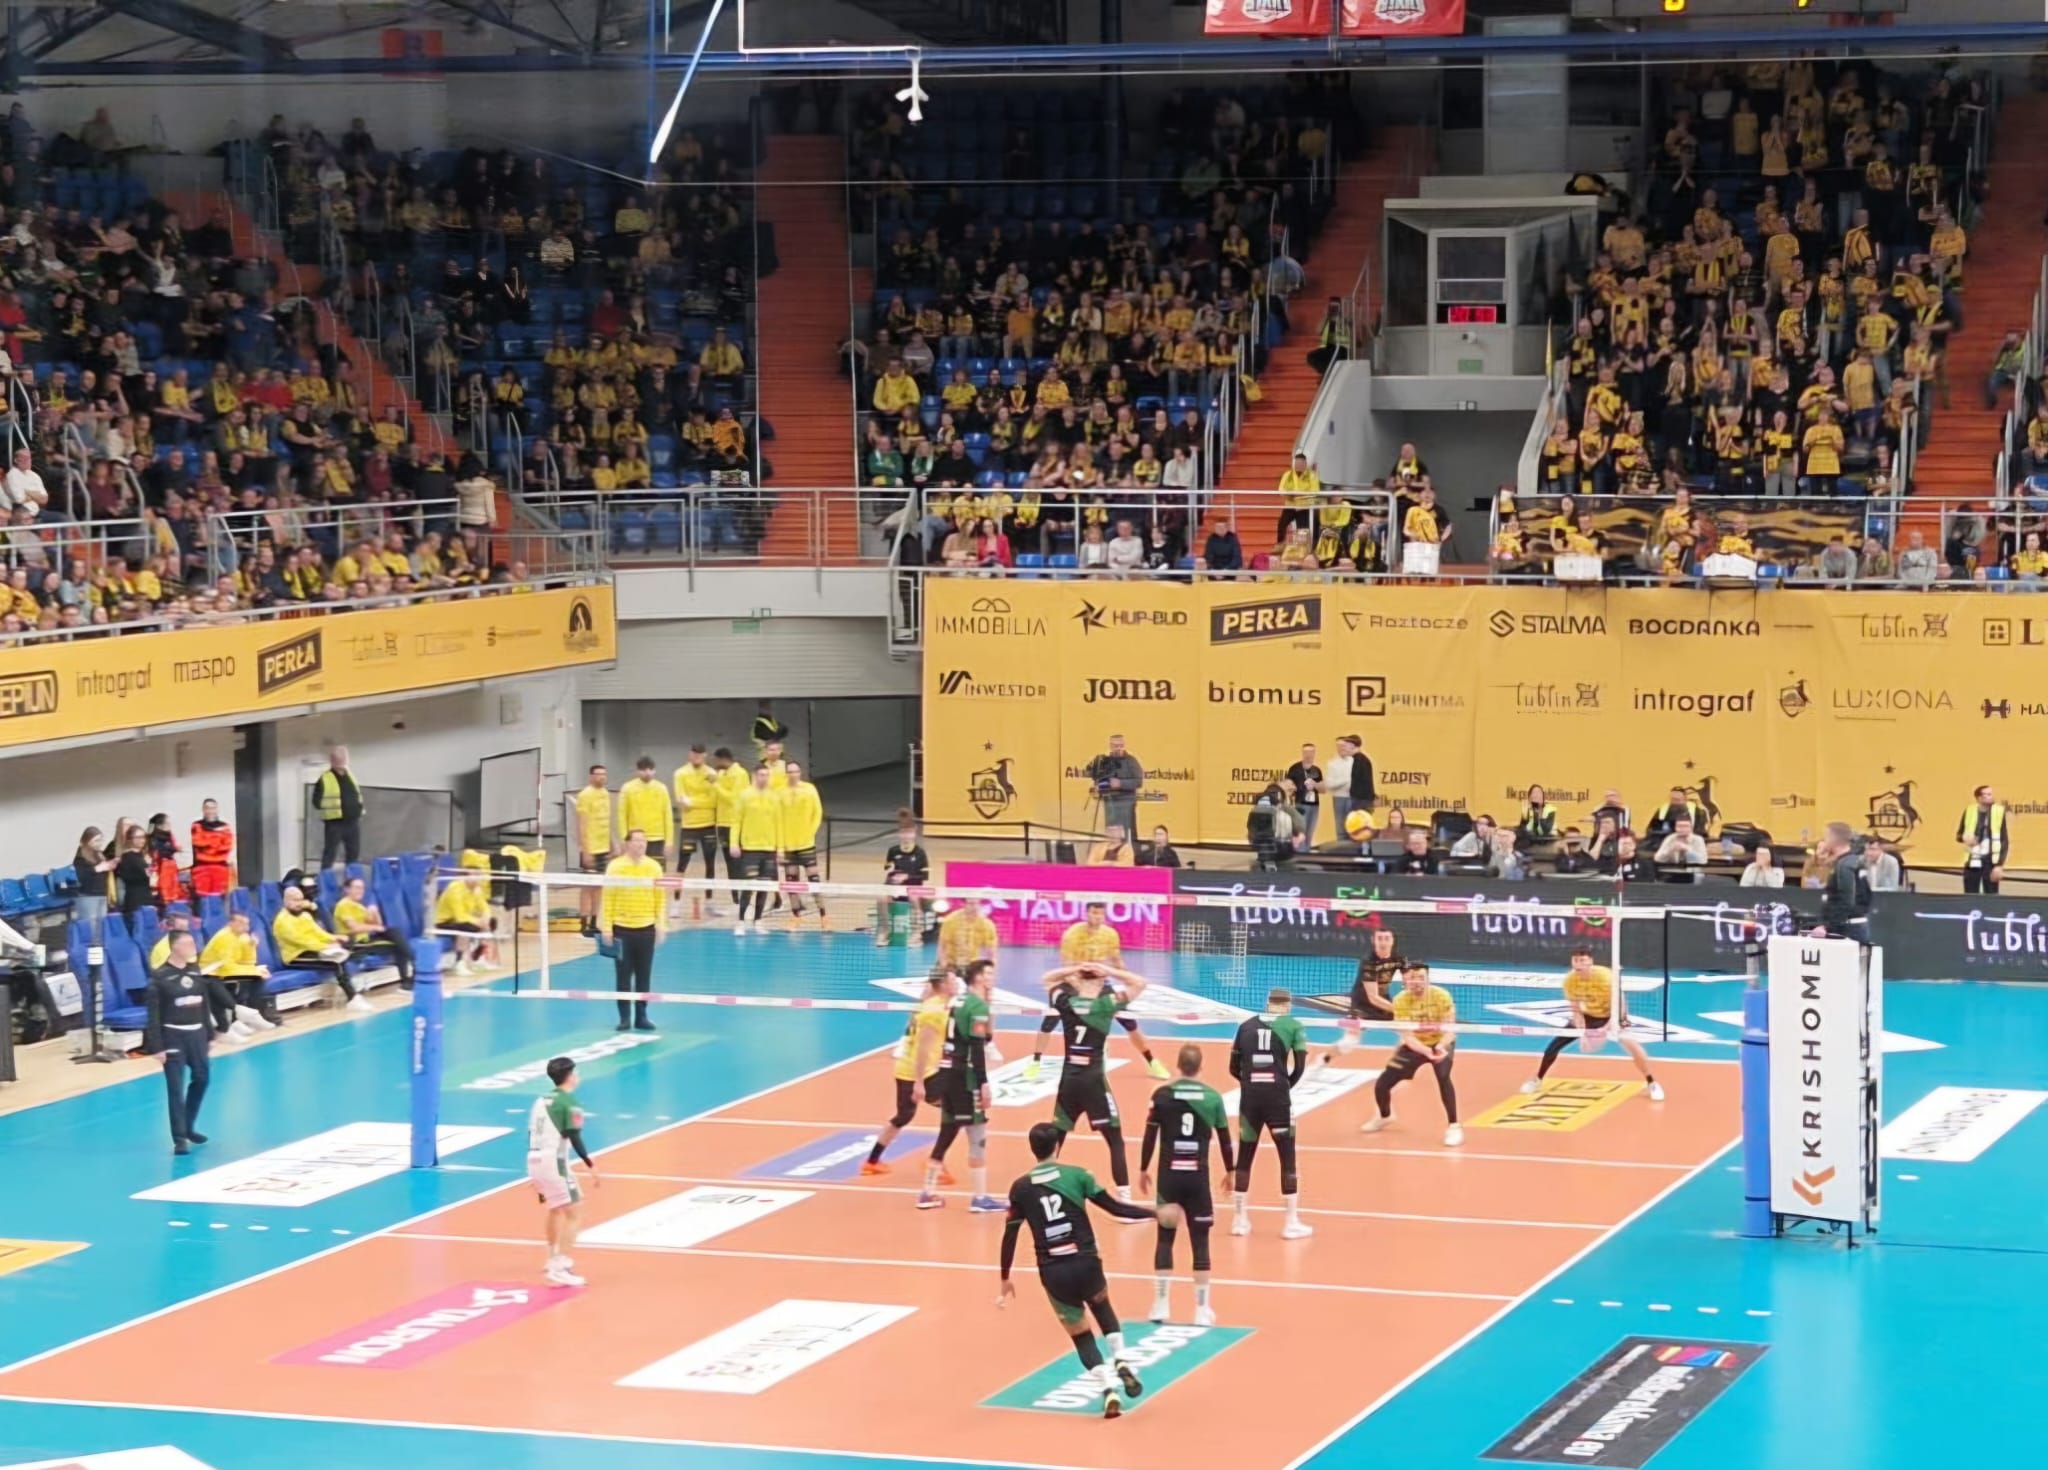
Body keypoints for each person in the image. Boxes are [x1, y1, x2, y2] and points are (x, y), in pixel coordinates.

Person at [997, 1120, 1155, 1419]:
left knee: (1081, 1335)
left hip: (1053, 1272)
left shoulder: (1020, 1188)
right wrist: (1154, 1212)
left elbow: (1010, 1235)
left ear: (1032, 1149)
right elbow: (1116, 1208)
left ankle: (1108, 1389)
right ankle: (1121, 1359)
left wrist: (1005, 1277)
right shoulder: (1078, 1175)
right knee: (1102, 1307)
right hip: (1086, 1262)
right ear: (1057, 1145)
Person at [1139, 1044, 1235, 1326]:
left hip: (1169, 1178)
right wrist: (1231, 1170)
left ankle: (1160, 1304)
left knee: (1165, 1238)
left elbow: (1149, 1136)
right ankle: (1202, 1309)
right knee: (1200, 1242)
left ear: (1178, 1065)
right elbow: (1225, 1140)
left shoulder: (1161, 1095)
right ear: (1201, 1067)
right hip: (1197, 1179)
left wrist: (1143, 1169)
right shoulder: (1213, 1098)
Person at [1046, 963, 1150, 1204]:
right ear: (1101, 982)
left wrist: (1073, 969)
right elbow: (1140, 983)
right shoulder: (1106, 1004)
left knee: (1057, 1136)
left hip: (1069, 1080)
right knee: (1115, 1140)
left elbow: (1048, 978)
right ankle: (1124, 1200)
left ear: (1079, 982)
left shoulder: (1066, 1002)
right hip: (1093, 1082)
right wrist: (1108, 970)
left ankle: (1044, 1188)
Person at [1029, 902, 1165, 1079]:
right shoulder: (1072, 934)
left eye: (1101, 914)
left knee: (1129, 1021)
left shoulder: (1110, 935)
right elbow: (1066, 967)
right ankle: (1036, 1061)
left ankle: (1152, 1061)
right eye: (1094, 913)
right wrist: (1083, 991)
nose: (1097, 917)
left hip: (1098, 983)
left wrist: (1124, 978)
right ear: (1087, 914)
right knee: (1050, 1020)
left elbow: (1117, 961)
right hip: (1072, 982)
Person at [1522, 946, 1665, 1101]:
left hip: (1613, 1015)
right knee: (1554, 1046)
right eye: (1576, 960)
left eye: (1582, 960)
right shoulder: (1570, 980)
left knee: (1633, 1047)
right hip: (1589, 1015)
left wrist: (1608, 1027)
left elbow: (1620, 1004)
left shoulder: (1605, 977)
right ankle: (1537, 1079)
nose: (1579, 964)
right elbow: (1576, 1010)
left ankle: (1652, 1082)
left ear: (1590, 961)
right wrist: (1582, 1031)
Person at [1229, 988, 1312, 1239]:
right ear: (1287, 1005)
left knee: (1245, 1156)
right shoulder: (1294, 1025)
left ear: (1267, 1004)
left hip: (1250, 1098)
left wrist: (1250, 1084)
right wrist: (1283, 1086)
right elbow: (1300, 1067)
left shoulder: (1245, 1026)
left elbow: (1233, 1067)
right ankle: (1291, 1223)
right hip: (1278, 1099)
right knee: (1287, 1158)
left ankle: (1239, 1220)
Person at [920, 958, 1001, 1211]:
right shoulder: (976, 1006)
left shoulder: (957, 1001)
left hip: (947, 1073)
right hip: (965, 1078)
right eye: (989, 973)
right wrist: (983, 1083)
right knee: (977, 1134)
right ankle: (980, 1198)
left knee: (947, 1132)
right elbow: (977, 1047)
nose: (993, 977)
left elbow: (984, 1036)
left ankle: (927, 1193)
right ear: (978, 977)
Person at [864, 967, 956, 1177]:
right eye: (952, 981)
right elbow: (923, 1048)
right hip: (923, 1072)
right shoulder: (935, 1011)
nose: (956, 984)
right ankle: (935, 1161)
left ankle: (871, 1161)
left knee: (904, 1115)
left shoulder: (927, 1005)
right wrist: (919, 1083)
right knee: (957, 1111)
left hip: (907, 1068)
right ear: (942, 985)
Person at [1363, 963, 1462, 1147]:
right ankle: (1385, 1116)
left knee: (1443, 1077)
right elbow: (1407, 1036)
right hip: (1415, 1045)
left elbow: (1450, 1030)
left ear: (1427, 979)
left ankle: (1454, 1126)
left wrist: (1440, 1047)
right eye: (1412, 978)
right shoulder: (1400, 1000)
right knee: (1382, 1085)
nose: (1417, 982)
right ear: (1406, 981)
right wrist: (1425, 1051)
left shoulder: (1441, 996)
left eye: (1421, 978)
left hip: (1440, 1042)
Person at [528, 1055, 600, 1287]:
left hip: (534, 1159)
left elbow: (531, 1133)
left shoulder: (540, 1101)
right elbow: (574, 1136)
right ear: (569, 1076)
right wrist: (590, 1164)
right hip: (554, 1162)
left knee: (555, 1209)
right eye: (575, 1072)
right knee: (575, 1212)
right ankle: (559, 1267)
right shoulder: (569, 1102)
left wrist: (536, 1173)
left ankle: (551, 1258)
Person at [144, 930, 213, 1154]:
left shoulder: (195, 971)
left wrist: (209, 1033)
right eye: (188, 943)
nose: (193, 947)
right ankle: (179, 1138)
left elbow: (204, 1004)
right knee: (175, 1088)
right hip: (173, 1036)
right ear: (175, 947)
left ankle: (189, 1126)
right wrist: (157, 1046)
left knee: (202, 1079)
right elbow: (153, 1015)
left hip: (197, 1034)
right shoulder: (160, 977)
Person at [1316, 926, 1404, 1074]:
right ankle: (1324, 1058)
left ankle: (1393, 1067)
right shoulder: (1369, 963)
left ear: (1392, 941)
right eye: (1380, 939)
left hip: (1384, 1001)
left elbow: (1410, 978)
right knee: (1348, 1043)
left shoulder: (1397, 958)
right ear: (1374, 940)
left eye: (1386, 939)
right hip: (1361, 1006)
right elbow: (1373, 998)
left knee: (1409, 1032)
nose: (1383, 942)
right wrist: (1403, 1009)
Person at [602, 828, 663, 1033]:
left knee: (644, 976)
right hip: (621, 929)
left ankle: (642, 1016)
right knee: (623, 976)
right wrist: (607, 927)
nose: (641, 844)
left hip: (646, 929)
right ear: (627, 843)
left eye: (644, 841)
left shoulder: (654, 867)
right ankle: (624, 1018)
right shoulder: (615, 867)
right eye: (636, 841)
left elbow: (660, 898)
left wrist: (661, 924)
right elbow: (608, 898)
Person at [273, 885, 365, 1011]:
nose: (299, 903)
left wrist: (334, 938)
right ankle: (352, 997)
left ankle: (351, 995)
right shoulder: (282, 921)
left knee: (342, 955)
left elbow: (318, 933)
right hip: (296, 956)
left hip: (313, 950)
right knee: (336, 962)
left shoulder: (305, 916)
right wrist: (325, 946)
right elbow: (302, 942)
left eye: (300, 900)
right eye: (295, 900)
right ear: (286, 901)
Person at [199, 909, 280, 1029]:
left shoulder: (243, 936)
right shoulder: (224, 937)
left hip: (226, 969)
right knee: (256, 977)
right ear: (230, 923)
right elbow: (227, 966)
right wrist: (254, 971)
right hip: (213, 972)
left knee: (257, 976)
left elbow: (249, 962)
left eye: (247, 923)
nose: (245, 927)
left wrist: (251, 946)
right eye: (241, 923)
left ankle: (256, 1014)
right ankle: (257, 1015)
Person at [332, 874, 416, 989]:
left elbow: (378, 924)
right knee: (397, 941)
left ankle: (407, 979)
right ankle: (414, 966)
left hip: (366, 940)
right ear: (347, 889)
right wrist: (375, 928)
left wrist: (375, 912)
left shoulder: (359, 906)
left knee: (397, 939)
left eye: (362, 888)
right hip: (354, 943)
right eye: (357, 888)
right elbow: (354, 928)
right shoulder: (343, 905)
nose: (360, 891)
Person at [729, 765, 784, 935]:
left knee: (764, 887)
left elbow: (779, 824)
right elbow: (736, 821)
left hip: (769, 850)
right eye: (761, 775)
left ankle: (758, 921)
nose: (764, 778)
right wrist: (733, 843)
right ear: (754, 776)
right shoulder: (744, 795)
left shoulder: (774, 797)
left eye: (766, 775)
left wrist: (780, 849)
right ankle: (740, 922)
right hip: (750, 849)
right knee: (748, 888)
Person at [671, 744, 723, 922]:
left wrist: (692, 801)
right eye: (694, 754)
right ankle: (675, 904)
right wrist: (699, 801)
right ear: (690, 754)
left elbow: (714, 801)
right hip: (689, 826)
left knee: (710, 864)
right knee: (681, 865)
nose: (697, 757)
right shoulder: (680, 773)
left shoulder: (712, 774)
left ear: (705, 756)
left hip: (709, 825)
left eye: (700, 755)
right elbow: (681, 801)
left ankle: (710, 902)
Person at [778, 759, 826, 925]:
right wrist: (780, 845)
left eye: (795, 771)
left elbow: (817, 813)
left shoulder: (809, 789)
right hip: (788, 846)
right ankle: (796, 916)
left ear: (800, 773)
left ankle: (823, 915)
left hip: (806, 844)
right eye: (790, 772)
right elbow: (778, 819)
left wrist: (809, 833)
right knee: (791, 882)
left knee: (814, 880)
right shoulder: (780, 792)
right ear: (786, 774)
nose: (793, 774)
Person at [875, 811, 930, 945]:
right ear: (899, 833)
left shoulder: (920, 853)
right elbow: (888, 870)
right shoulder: (893, 851)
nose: (906, 836)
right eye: (903, 833)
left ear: (914, 832)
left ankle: (916, 934)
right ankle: (884, 931)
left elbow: (925, 876)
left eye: (909, 833)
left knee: (913, 897)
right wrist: (892, 875)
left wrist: (907, 876)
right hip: (896, 888)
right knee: (881, 897)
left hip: (914, 888)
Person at [570, 765, 614, 936]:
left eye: (604, 774)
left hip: (603, 847)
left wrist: (612, 843)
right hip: (591, 847)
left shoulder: (606, 794)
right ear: (591, 776)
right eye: (598, 774)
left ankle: (594, 922)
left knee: (599, 886)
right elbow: (581, 825)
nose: (602, 777)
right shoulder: (585, 795)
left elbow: (606, 821)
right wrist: (585, 850)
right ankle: (583, 923)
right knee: (587, 887)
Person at [1812, 822, 1872, 941]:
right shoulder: (1854, 861)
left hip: (1848, 928)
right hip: (1855, 924)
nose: (1824, 841)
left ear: (1832, 839)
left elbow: (1847, 900)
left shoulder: (1844, 865)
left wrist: (1827, 926)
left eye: (1826, 837)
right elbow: (1867, 896)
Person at [711, 747, 751, 916]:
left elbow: (734, 799)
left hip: (736, 824)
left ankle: (745, 900)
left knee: (739, 862)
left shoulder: (740, 774)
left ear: (724, 759)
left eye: (717, 760)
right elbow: (717, 798)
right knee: (729, 862)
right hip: (722, 824)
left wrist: (715, 785)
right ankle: (735, 900)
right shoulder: (721, 774)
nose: (715, 764)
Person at [434, 868, 495, 974]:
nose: (478, 879)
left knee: (492, 922)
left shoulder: (476, 889)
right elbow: (460, 917)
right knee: (464, 927)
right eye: (475, 876)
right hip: (443, 922)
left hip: (463, 919)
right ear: (465, 877)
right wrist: (478, 921)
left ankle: (478, 958)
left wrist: (486, 918)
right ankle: (459, 963)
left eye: (479, 876)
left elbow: (485, 907)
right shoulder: (455, 889)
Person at [617, 757, 674, 867]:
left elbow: (668, 816)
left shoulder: (661, 788)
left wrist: (669, 842)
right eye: (644, 770)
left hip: (657, 839)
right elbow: (622, 816)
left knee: (657, 871)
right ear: (637, 771)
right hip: (635, 839)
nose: (648, 773)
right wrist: (624, 839)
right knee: (635, 869)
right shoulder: (627, 788)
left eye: (651, 769)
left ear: (655, 771)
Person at [315, 746, 365, 869]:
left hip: (352, 821)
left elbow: (356, 795)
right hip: (335, 824)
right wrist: (332, 807)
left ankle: (351, 878)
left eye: (344, 758)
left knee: (353, 853)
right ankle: (325, 878)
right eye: (340, 759)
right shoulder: (325, 778)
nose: (343, 761)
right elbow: (316, 801)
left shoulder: (350, 776)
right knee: (330, 854)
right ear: (333, 761)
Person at [1084, 734, 1144, 836]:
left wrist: (1120, 783)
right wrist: (1099, 786)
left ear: (1124, 745)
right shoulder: (1105, 762)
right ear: (1111, 746)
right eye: (1116, 746)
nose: (1118, 748)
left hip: (1126, 806)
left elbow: (1138, 781)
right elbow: (1101, 779)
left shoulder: (1131, 761)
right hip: (1111, 805)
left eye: (1121, 745)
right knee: (1112, 834)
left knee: (1127, 835)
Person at [1957, 784, 2010, 895]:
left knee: (1991, 897)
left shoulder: (1998, 812)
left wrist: (1999, 865)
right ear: (1979, 798)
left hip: (1990, 863)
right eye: (1988, 794)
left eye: (1991, 794)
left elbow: (2004, 840)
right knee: (1970, 896)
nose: (1991, 796)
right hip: (1972, 862)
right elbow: (1959, 835)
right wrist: (1964, 838)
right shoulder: (1969, 811)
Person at [189, 799, 234, 898]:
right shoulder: (196, 825)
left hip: (220, 868)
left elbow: (228, 846)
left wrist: (208, 844)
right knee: (202, 899)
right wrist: (217, 841)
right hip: (201, 868)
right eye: (207, 808)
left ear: (217, 809)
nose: (210, 811)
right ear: (203, 810)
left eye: (213, 808)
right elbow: (198, 842)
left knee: (219, 899)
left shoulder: (225, 826)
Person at [71, 827, 114, 929]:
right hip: (88, 895)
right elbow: (80, 875)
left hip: (101, 893)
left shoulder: (99, 855)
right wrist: (96, 869)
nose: (99, 843)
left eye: (100, 840)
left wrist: (110, 865)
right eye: (96, 841)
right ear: (87, 841)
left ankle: (99, 939)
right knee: (90, 924)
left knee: (101, 924)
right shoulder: (80, 857)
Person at [1283, 743, 1324, 847]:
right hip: (1300, 804)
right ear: (1302, 753)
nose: (1308, 755)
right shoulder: (1295, 768)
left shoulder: (1317, 770)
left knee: (1310, 832)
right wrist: (1300, 788)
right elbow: (1288, 786)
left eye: (1311, 752)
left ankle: (1307, 851)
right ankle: (1300, 853)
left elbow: (1323, 789)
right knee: (1301, 832)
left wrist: (1315, 785)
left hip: (1314, 805)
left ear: (1314, 753)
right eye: (1306, 752)